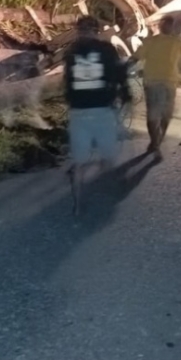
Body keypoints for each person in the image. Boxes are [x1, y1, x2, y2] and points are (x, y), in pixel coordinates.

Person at [64, 15, 131, 215]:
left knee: (80, 162)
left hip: (78, 112)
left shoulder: (71, 51)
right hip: (102, 110)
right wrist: (125, 93)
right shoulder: (107, 49)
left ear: (78, 31)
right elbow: (119, 74)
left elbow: (67, 81)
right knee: (108, 157)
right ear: (97, 31)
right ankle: (108, 193)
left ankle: (78, 205)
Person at [130, 13, 181, 159]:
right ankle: (157, 140)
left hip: (152, 82)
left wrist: (120, 69)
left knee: (153, 114)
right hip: (168, 83)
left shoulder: (151, 41)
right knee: (165, 114)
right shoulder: (176, 42)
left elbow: (134, 58)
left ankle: (155, 141)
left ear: (160, 26)